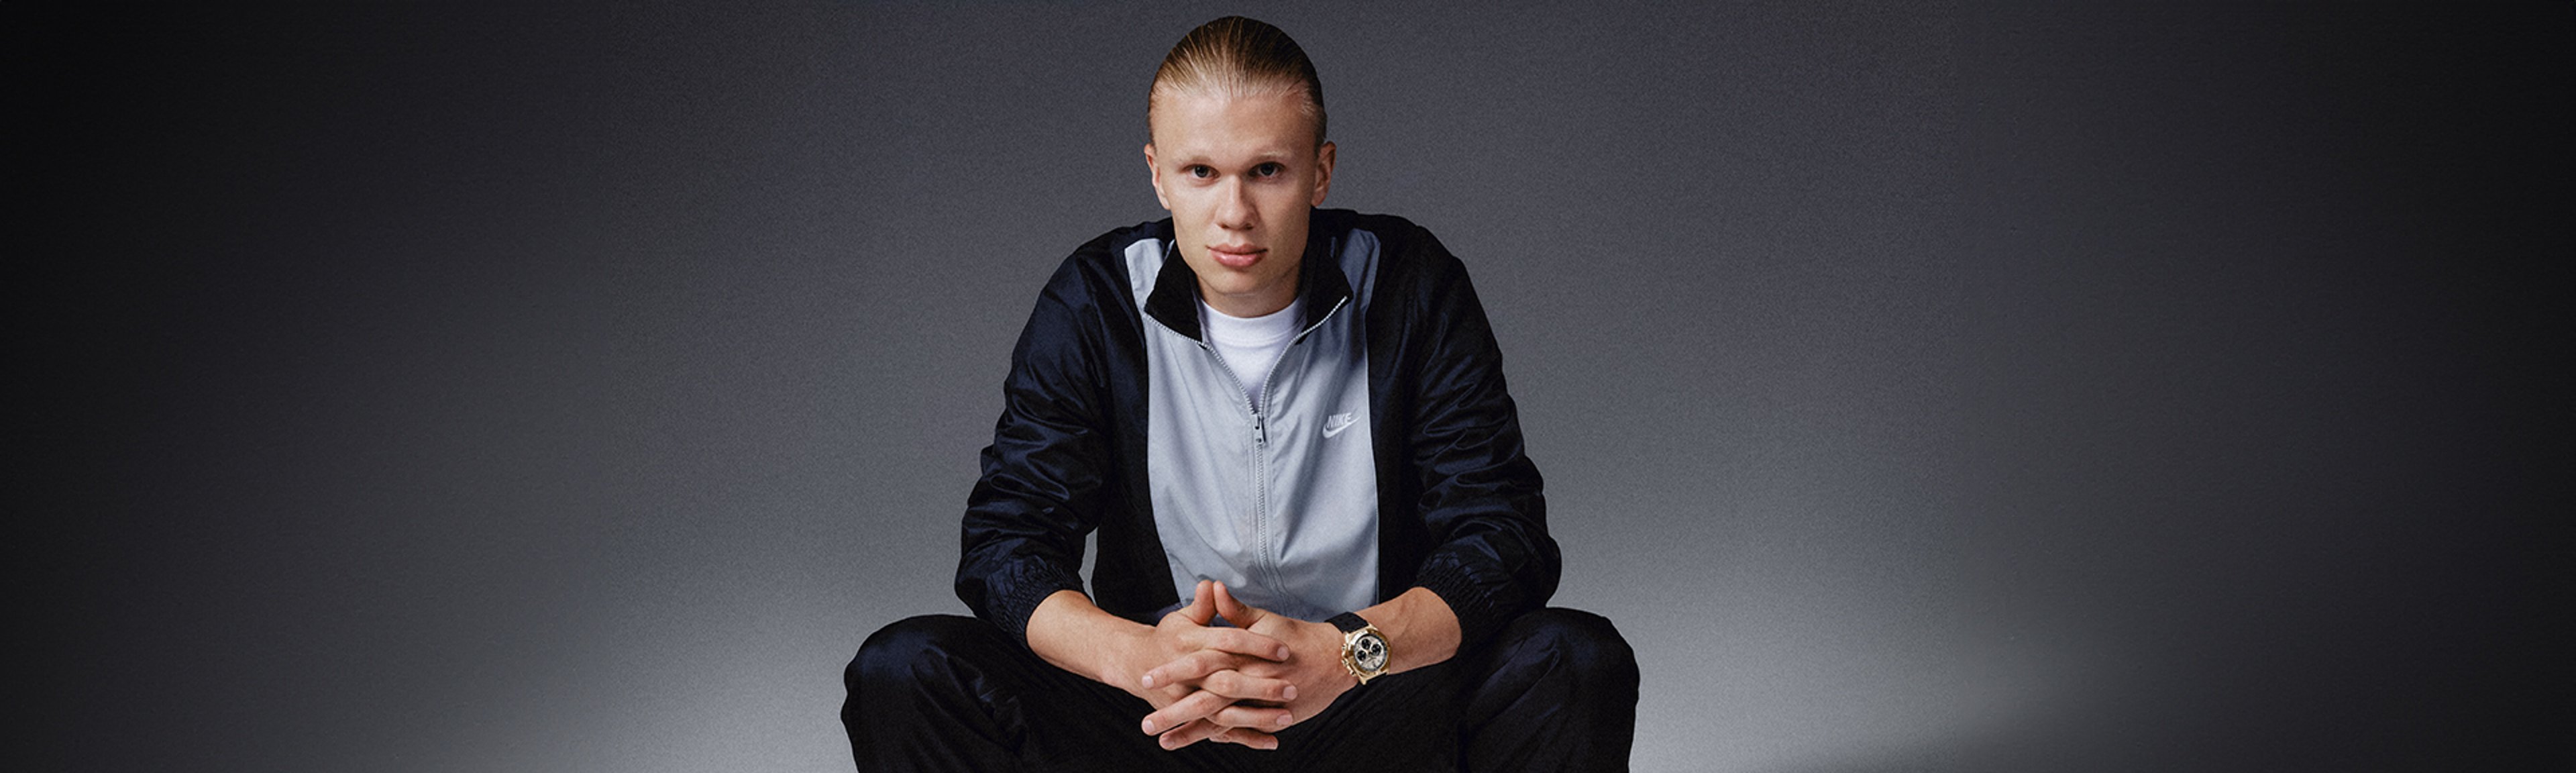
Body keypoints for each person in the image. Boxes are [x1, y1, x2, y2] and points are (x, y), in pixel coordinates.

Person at [843, 16, 1638, 772]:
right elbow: (1006, 548)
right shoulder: (1096, 302)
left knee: (1574, 661)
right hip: (1160, 717)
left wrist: (1343, 654)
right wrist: (1142, 659)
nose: (1235, 214)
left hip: (1366, 700)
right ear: (1157, 174)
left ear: (1319, 171)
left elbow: (1501, 540)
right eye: (1201, 172)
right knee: (908, 669)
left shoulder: (1409, 285)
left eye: (1268, 171)